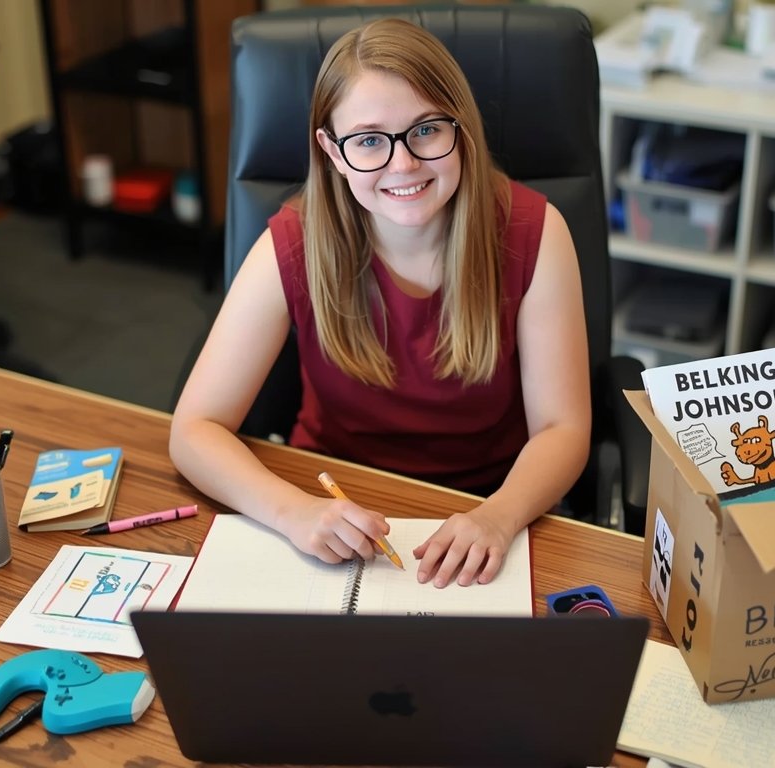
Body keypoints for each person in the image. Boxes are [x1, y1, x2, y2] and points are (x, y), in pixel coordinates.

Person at [170, 18, 590, 588]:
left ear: (462, 129)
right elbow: (193, 429)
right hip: (332, 506)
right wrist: (291, 511)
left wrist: (498, 516)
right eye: (369, 140)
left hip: (484, 508)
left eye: (426, 130)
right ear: (333, 152)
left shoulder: (533, 231)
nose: (403, 164)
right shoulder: (295, 243)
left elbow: (563, 428)